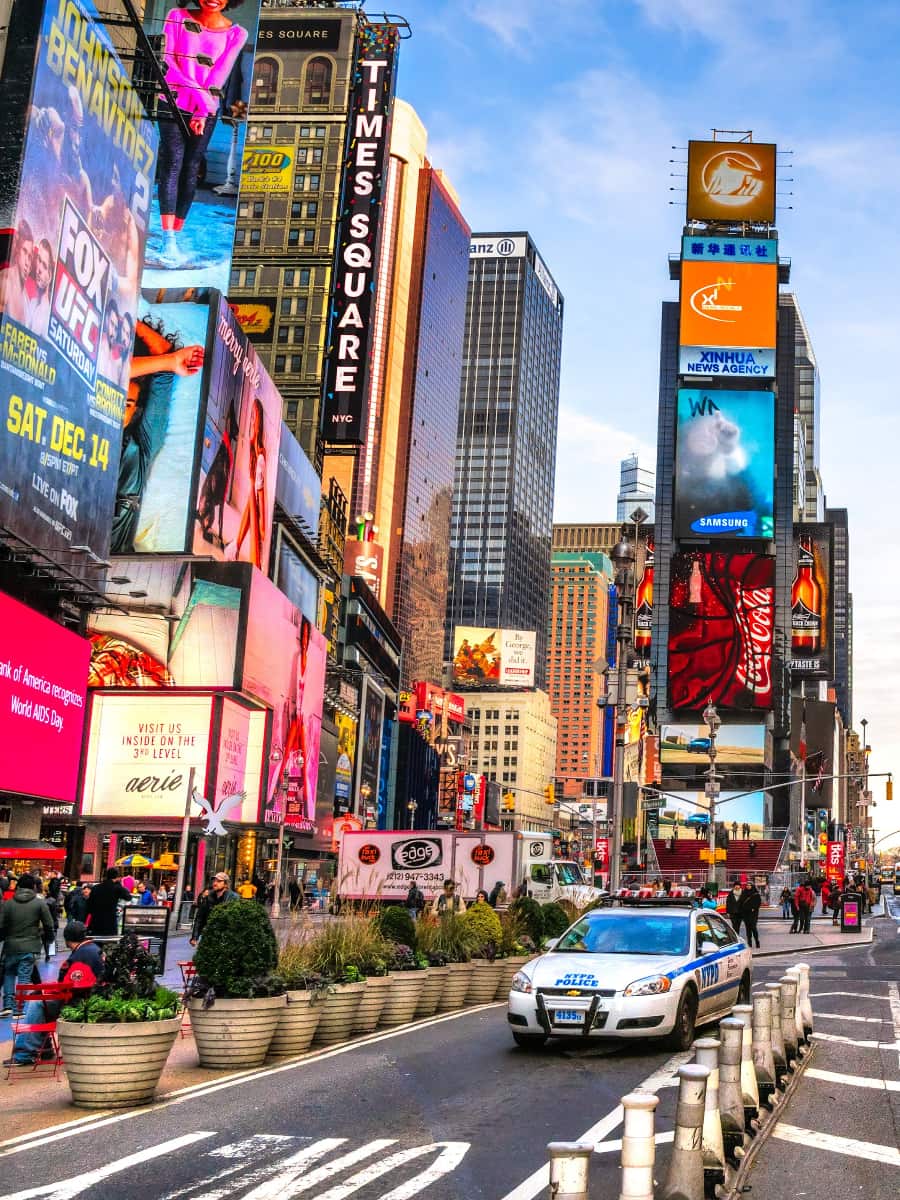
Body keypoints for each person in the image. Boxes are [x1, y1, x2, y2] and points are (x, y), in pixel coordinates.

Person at [154, 1, 249, 266]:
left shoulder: (236, 34)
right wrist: (201, 100)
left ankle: (177, 233)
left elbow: (219, 74)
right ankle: (167, 239)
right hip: (172, 101)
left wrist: (202, 112)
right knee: (172, 162)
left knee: (191, 166)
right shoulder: (177, 16)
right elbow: (168, 62)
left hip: (205, 109)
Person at [111, 319, 205, 554]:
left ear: (135, 411)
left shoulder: (140, 445)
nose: (118, 408)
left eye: (128, 404)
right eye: (115, 396)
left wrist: (130, 319)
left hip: (95, 558)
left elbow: (165, 361)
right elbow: (103, 371)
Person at [3, 922, 104, 1067]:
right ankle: (44, 1049)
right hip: (91, 997)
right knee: (43, 1002)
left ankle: (24, 1053)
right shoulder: (93, 949)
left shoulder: (81, 955)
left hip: (80, 1000)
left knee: (37, 1003)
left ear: (67, 940)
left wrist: (46, 991)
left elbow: (72, 986)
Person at [0, 874, 54, 1016]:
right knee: (24, 976)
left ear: (18, 886)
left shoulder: (9, 903)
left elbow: (1, 925)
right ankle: (19, 1009)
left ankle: (7, 1005)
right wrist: (49, 939)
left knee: (9, 973)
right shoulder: (39, 903)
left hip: (10, 945)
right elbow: (49, 924)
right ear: (34, 887)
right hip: (30, 945)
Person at [225, 396, 268, 567]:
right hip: (256, 499)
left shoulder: (259, 451)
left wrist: (258, 485)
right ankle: (235, 545)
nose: (251, 423)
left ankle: (235, 545)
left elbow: (258, 496)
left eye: (254, 419)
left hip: (259, 501)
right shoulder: (253, 449)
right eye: (250, 418)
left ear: (258, 424)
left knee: (262, 531)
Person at [190, 872, 239, 944]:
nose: (215, 883)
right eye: (214, 881)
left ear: (226, 884)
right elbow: (200, 918)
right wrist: (195, 937)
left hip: (226, 938)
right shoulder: (208, 897)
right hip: (209, 936)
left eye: (219, 881)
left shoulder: (233, 897)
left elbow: (236, 920)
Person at [85, 868, 133, 937]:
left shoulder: (96, 887)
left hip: (95, 921)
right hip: (110, 922)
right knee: (109, 943)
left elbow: (89, 906)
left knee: (96, 942)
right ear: (117, 877)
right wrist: (119, 884)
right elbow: (128, 897)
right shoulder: (117, 888)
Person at [741, 882, 761, 948]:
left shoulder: (756, 894)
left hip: (753, 913)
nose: (748, 886)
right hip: (746, 913)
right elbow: (741, 902)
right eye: (747, 885)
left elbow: (758, 903)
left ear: (752, 886)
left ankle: (757, 941)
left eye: (749, 885)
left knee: (753, 927)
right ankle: (749, 943)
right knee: (748, 929)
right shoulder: (744, 893)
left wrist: (754, 908)